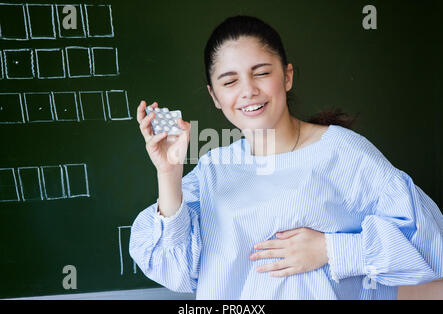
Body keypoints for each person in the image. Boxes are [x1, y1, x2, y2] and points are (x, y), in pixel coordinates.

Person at [129, 15, 443, 299]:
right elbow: (176, 271)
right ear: (215, 96)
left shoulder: (345, 153)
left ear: (287, 76)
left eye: (261, 73)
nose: (248, 90)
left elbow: (430, 247)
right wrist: (168, 175)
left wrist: (331, 249)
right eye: (230, 81)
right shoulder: (214, 169)